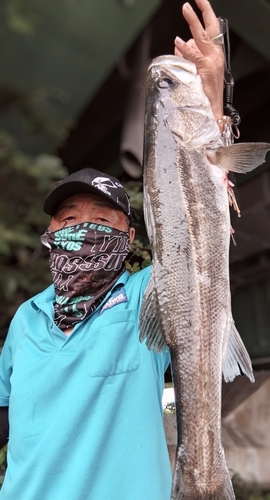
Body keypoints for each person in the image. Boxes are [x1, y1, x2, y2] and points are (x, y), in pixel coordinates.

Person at [0, 1, 225, 498]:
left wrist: (210, 95)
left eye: (103, 220)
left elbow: (197, 233)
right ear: (50, 233)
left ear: (128, 240)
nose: (84, 228)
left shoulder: (152, 295)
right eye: (70, 219)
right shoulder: (25, 320)